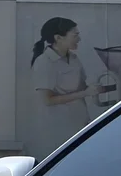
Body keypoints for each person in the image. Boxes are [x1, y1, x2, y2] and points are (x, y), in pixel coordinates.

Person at [31, 17, 100, 148]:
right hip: (58, 131)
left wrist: (95, 89)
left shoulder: (74, 58)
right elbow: (47, 100)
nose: (79, 39)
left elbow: (82, 88)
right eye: (75, 35)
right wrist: (84, 93)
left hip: (79, 125)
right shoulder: (44, 62)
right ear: (58, 38)